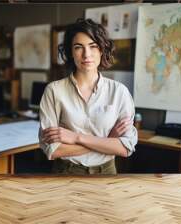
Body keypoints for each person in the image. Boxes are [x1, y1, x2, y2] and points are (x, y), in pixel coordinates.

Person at [38, 18, 138, 175]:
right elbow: (53, 150)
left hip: (106, 172)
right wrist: (107, 140)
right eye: (79, 47)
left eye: (93, 46)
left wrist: (76, 137)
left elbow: (125, 148)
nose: (87, 54)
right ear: (70, 52)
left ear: (102, 50)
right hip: (66, 172)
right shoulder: (54, 91)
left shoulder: (119, 92)